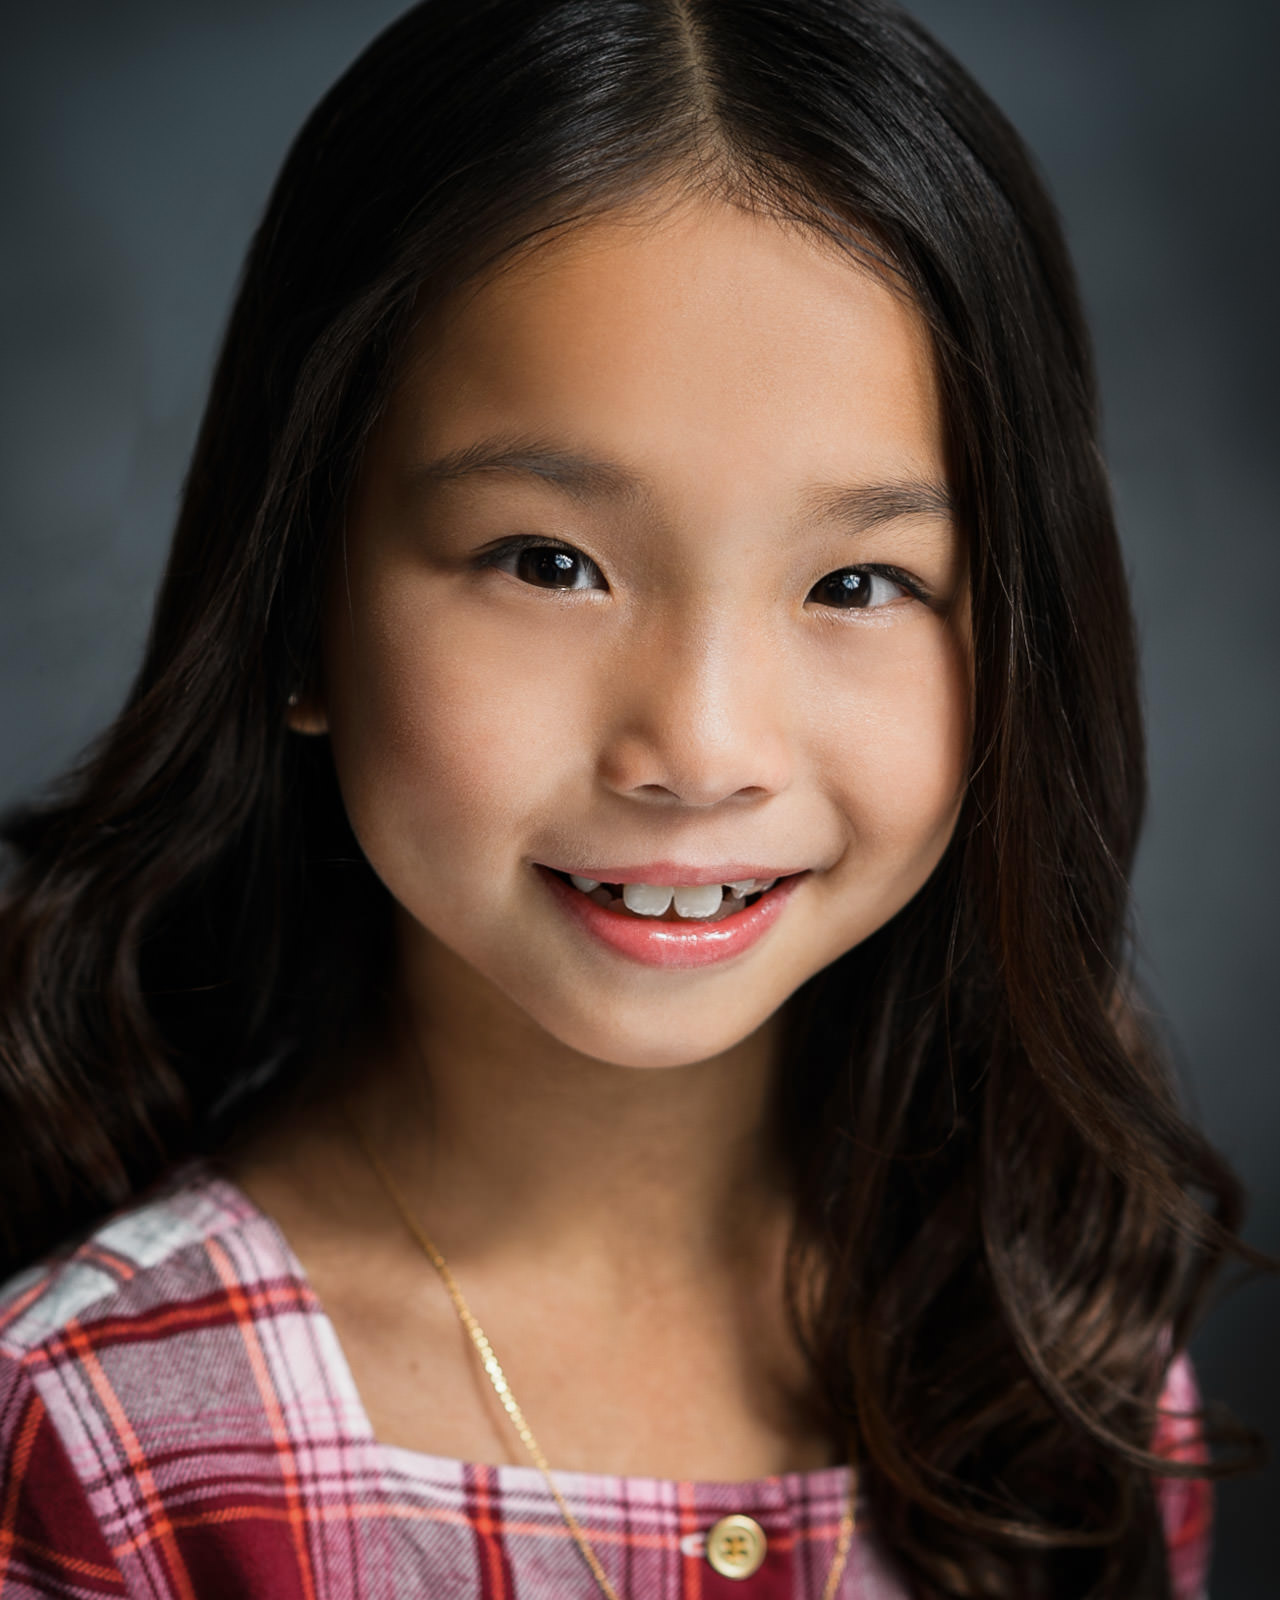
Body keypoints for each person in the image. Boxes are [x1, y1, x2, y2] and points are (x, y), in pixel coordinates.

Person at [0, 1, 1265, 1595]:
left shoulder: (1052, 1364)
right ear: (297, 602)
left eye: (861, 580)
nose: (699, 744)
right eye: (550, 564)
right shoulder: (101, 1440)